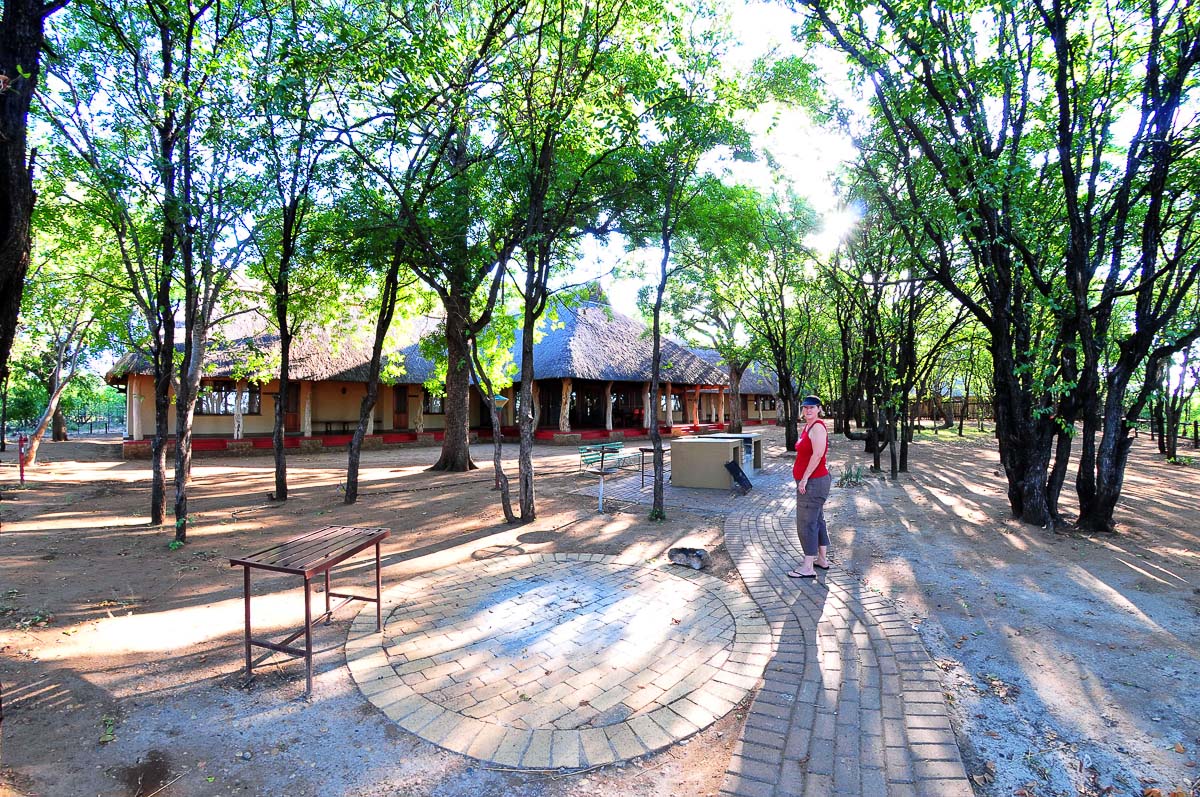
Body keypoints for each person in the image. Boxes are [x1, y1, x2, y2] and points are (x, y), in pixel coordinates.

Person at [788, 395, 831, 578]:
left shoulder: (818, 428)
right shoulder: (808, 426)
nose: (808, 410)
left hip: (813, 483)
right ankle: (821, 560)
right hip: (812, 482)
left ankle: (807, 568)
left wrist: (804, 478)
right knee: (817, 521)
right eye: (805, 407)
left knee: (806, 524)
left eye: (812, 407)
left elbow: (818, 454)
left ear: (819, 409)